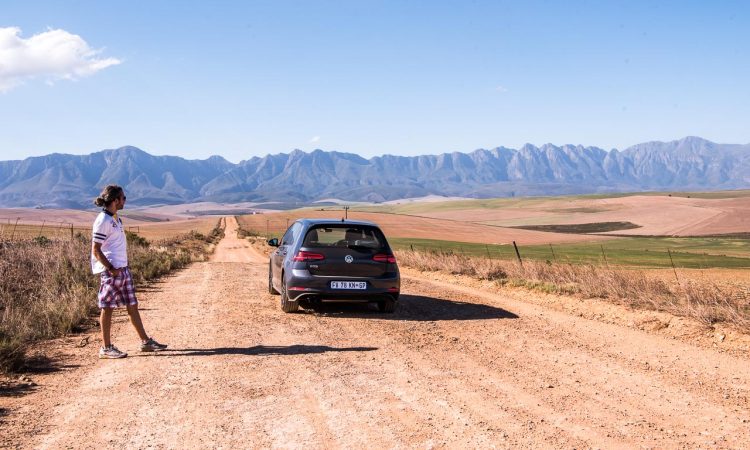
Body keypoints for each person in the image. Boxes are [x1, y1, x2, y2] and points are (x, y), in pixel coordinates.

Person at [91, 184, 167, 359]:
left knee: (132, 306)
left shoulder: (115, 218)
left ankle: (145, 342)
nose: (125, 201)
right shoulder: (103, 220)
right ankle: (106, 347)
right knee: (107, 307)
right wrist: (110, 268)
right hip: (111, 272)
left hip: (122, 270)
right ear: (115, 200)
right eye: (123, 198)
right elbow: (96, 249)